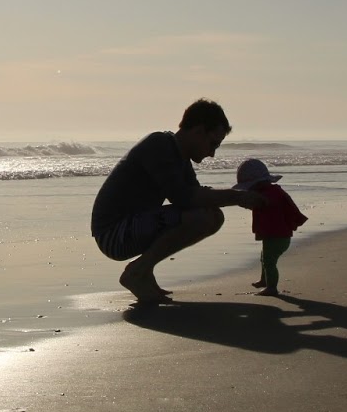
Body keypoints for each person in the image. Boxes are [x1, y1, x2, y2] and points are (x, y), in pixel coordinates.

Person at [91, 99, 263, 304]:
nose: (212, 153)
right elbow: (184, 198)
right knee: (203, 217)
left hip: (131, 226)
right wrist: (237, 197)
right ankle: (138, 272)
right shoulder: (160, 145)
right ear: (198, 131)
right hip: (113, 234)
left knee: (212, 215)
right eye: (212, 144)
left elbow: (194, 195)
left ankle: (144, 271)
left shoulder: (179, 155)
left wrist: (236, 197)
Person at [232, 158, 308, 297]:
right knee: (265, 258)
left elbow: (261, 204)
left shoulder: (268, 195)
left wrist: (242, 202)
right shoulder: (272, 191)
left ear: (256, 184)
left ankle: (272, 287)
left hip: (277, 236)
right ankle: (265, 280)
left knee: (269, 261)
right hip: (277, 235)